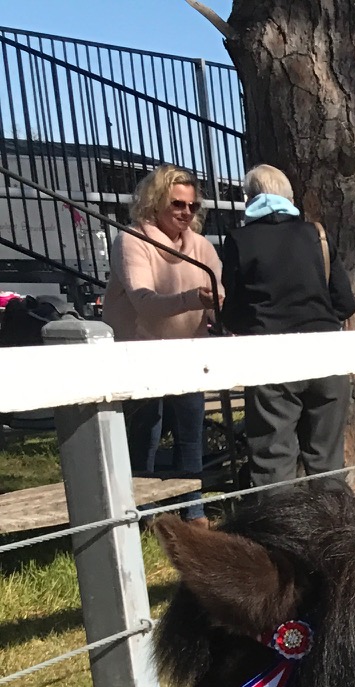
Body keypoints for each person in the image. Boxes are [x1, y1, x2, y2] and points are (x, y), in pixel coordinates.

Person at [221, 164, 355, 490]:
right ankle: (336, 530)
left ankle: (280, 535)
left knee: (273, 460)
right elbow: (346, 304)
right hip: (327, 354)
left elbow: (234, 312)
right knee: (327, 462)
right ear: (290, 198)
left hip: (270, 358)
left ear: (249, 198)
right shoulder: (317, 235)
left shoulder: (239, 241)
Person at [101, 164, 222, 487]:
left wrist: (219, 307)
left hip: (188, 352)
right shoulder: (131, 241)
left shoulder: (202, 247)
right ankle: (140, 508)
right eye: (177, 204)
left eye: (192, 206)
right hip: (141, 351)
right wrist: (194, 298)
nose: (186, 212)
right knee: (146, 432)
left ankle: (192, 510)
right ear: (155, 202)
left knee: (190, 432)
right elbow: (145, 303)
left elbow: (217, 299)